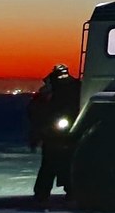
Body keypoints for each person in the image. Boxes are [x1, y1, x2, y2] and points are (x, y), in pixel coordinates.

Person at [26, 64, 81, 200]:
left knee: (64, 163)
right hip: (52, 133)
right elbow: (36, 110)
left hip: (64, 130)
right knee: (50, 164)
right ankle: (42, 193)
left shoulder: (74, 87)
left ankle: (69, 190)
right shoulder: (50, 91)